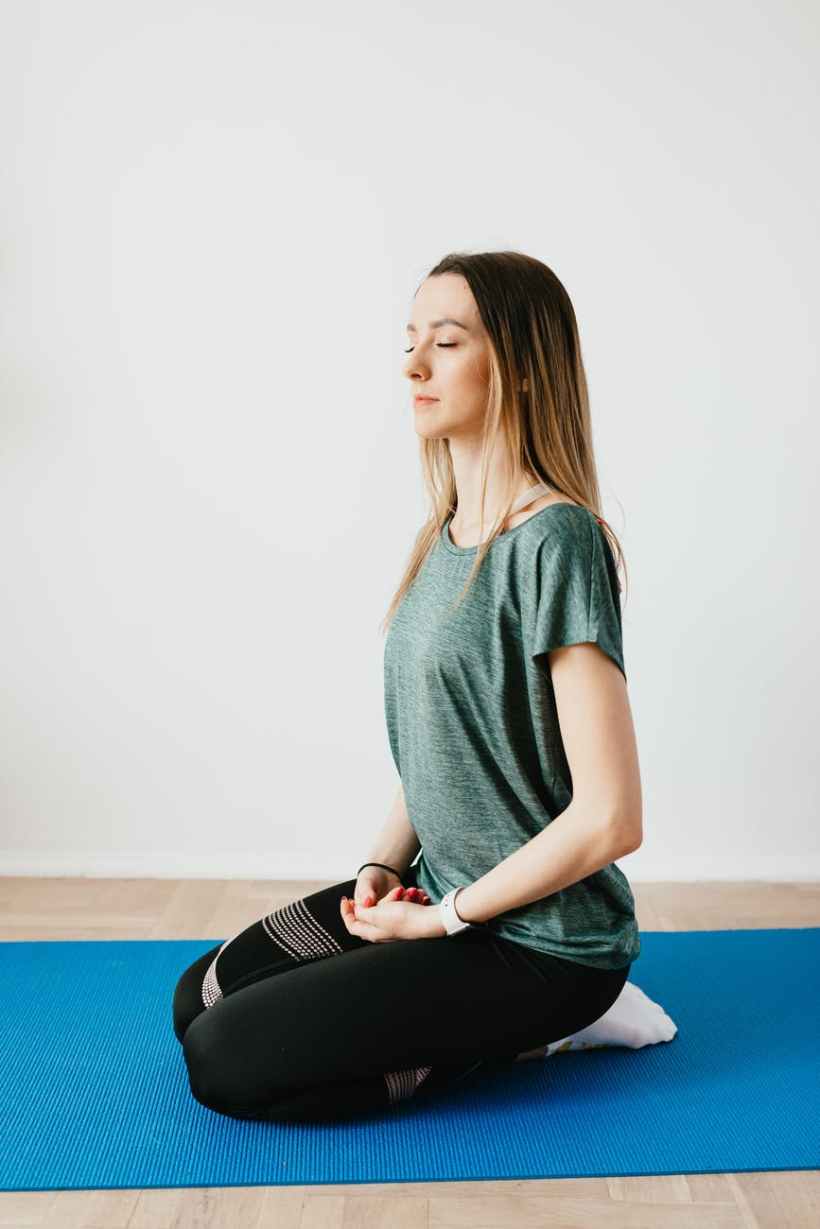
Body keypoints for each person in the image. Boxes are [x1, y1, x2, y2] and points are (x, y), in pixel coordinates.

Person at [172, 250, 643, 1124]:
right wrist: (381, 867)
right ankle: (462, 1016)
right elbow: (442, 746)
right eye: (410, 341)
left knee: (224, 1059)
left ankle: (543, 1031)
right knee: (199, 999)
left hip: (544, 945)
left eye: (447, 342)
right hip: (440, 895)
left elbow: (611, 817)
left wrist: (443, 919)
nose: (414, 366)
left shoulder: (558, 541)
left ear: (522, 367)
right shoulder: (442, 536)